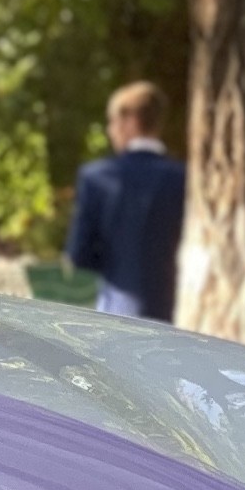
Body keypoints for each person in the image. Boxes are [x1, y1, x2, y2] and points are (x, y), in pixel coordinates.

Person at [64, 81, 186, 322]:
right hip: (175, 309)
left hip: (116, 307)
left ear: (129, 121)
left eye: (112, 122)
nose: (110, 131)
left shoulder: (96, 177)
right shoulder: (184, 178)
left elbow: (79, 255)